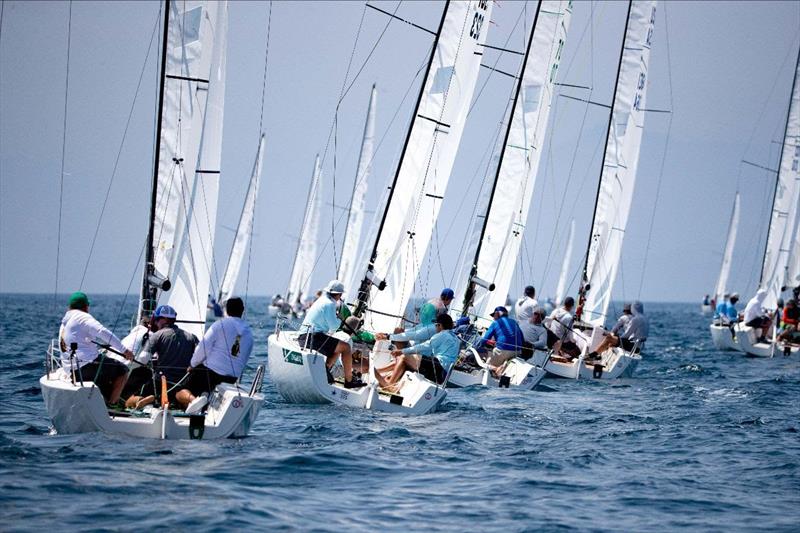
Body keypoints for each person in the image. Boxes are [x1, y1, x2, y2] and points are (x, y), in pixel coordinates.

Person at [175, 297, 255, 414]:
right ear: (242, 310)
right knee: (206, 389)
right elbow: (244, 358)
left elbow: (203, 347)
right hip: (232, 378)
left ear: (226, 310)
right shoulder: (249, 333)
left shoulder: (219, 325)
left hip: (210, 373)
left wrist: (192, 364)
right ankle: (204, 403)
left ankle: (194, 400)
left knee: (179, 392)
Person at [58, 291, 134, 406]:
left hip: (71, 370)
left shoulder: (65, 321)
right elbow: (102, 332)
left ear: (70, 306)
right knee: (123, 370)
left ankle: (103, 401)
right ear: (85, 306)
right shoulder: (82, 317)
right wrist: (125, 351)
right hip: (85, 367)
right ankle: (112, 404)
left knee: (105, 368)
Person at [124, 305, 198, 409]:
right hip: (182, 381)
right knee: (178, 393)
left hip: (160, 382)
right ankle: (193, 400)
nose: (155, 323)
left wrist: (127, 367)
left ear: (163, 320)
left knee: (128, 402)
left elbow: (143, 359)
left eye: (156, 320)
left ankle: (142, 400)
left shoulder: (157, 335)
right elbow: (200, 356)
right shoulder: (191, 336)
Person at [296, 280, 365, 389]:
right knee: (346, 347)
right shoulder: (329, 304)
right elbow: (334, 326)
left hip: (305, 336)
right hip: (312, 337)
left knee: (339, 347)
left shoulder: (322, 300)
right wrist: (339, 319)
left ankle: (326, 371)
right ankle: (349, 381)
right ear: (339, 294)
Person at [374, 314, 459, 390]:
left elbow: (424, 346)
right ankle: (385, 376)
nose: (435, 327)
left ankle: (389, 384)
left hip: (438, 369)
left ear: (440, 325)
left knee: (404, 356)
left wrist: (402, 351)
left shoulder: (442, 335)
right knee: (407, 360)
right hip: (443, 373)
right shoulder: (455, 338)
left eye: (436, 325)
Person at [390, 288, 455, 344]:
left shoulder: (431, 300)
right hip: (430, 330)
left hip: (421, 325)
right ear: (448, 299)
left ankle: (394, 336)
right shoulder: (442, 308)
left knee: (412, 334)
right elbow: (442, 324)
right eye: (451, 300)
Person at [475, 306, 524, 374]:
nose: (493, 318)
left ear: (496, 314)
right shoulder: (514, 322)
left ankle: (495, 369)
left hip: (503, 350)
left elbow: (485, 339)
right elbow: (522, 338)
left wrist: (477, 347)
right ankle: (504, 365)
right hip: (517, 351)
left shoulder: (495, 323)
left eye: (493, 315)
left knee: (485, 363)